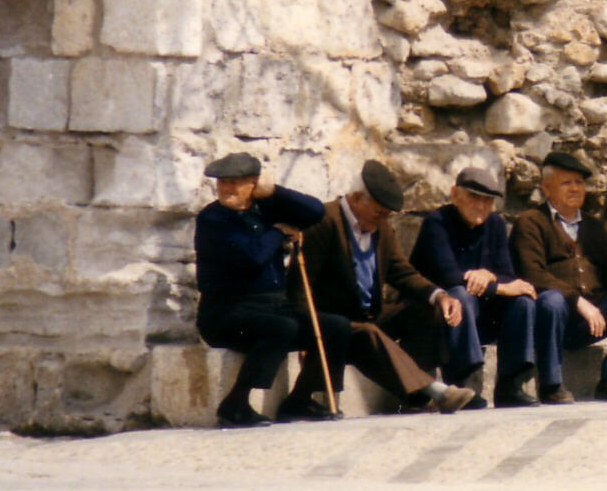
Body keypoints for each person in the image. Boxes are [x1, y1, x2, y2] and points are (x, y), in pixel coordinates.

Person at [288, 160, 479, 416]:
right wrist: (307, 330)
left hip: (369, 314)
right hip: (333, 321)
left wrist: (439, 296)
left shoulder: (381, 227)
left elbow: (402, 271)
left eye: (387, 215)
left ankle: (415, 397)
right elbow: (301, 284)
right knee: (367, 332)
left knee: (425, 311)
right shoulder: (325, 221)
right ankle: (435, 392)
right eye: (379, 213)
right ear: (356, 199)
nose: (383, 220)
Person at [193, 152, 347, 428]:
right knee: (281, 328)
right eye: (222, 183)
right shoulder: (213, 219)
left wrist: (275, 192)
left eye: (235, 183)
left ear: (254, 184)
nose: (226, 189)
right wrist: (278, 233)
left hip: (272, 308)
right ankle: (236, 403)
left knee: (336, 327)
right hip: (227, 313)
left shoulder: (264, 209)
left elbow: (315, 212)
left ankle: (299, 399)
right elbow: (251, 256)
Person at [510, 151, 607, 402]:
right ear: (547, 188)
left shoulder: (594, 227)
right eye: (567, 183)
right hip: (554, 319)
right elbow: (532, 274)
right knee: (551, 300)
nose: (575, 189)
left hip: (593, 320)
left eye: (579, 183)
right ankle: (551, 385)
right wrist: (578, 301)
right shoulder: (530, 223)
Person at [407, 163, 543, 408]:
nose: (481, 206)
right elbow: (449, 276)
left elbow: (507, 275)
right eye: (473, 197)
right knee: (460, 295)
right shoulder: (436, 223)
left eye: (488, 201)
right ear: (455, 194)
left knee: (522, 301)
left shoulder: (496, 225)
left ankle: (511, 385)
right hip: (439, 315)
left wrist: (488, 276)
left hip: (481, 314)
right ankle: (464, 384)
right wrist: (498, 286)